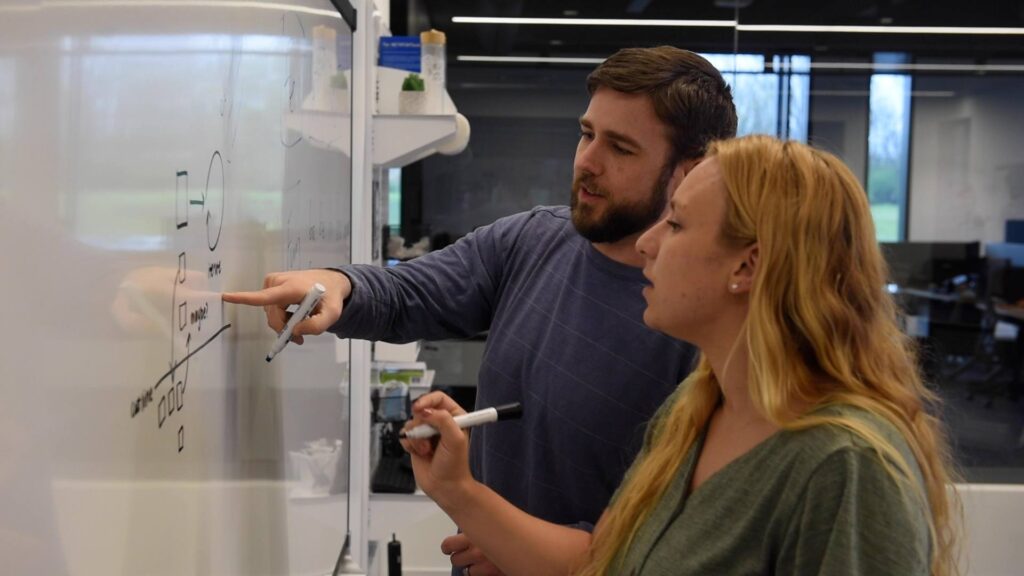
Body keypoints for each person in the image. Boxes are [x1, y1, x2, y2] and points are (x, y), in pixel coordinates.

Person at [222, 46, 738, 574]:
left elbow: (665, 542)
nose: (587, 161)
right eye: (587, 134)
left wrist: (517, 544)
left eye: (621, 148)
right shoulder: (534, 239)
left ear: (691, 170)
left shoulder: (703, 325)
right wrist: (337, 285)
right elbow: (409, 293)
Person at [402, 135, 961, 576]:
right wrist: (458, 490)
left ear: (746, 266)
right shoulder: (699, 408)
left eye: (675, 223)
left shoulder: (847, 466)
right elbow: (609, 565)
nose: (647, 243)